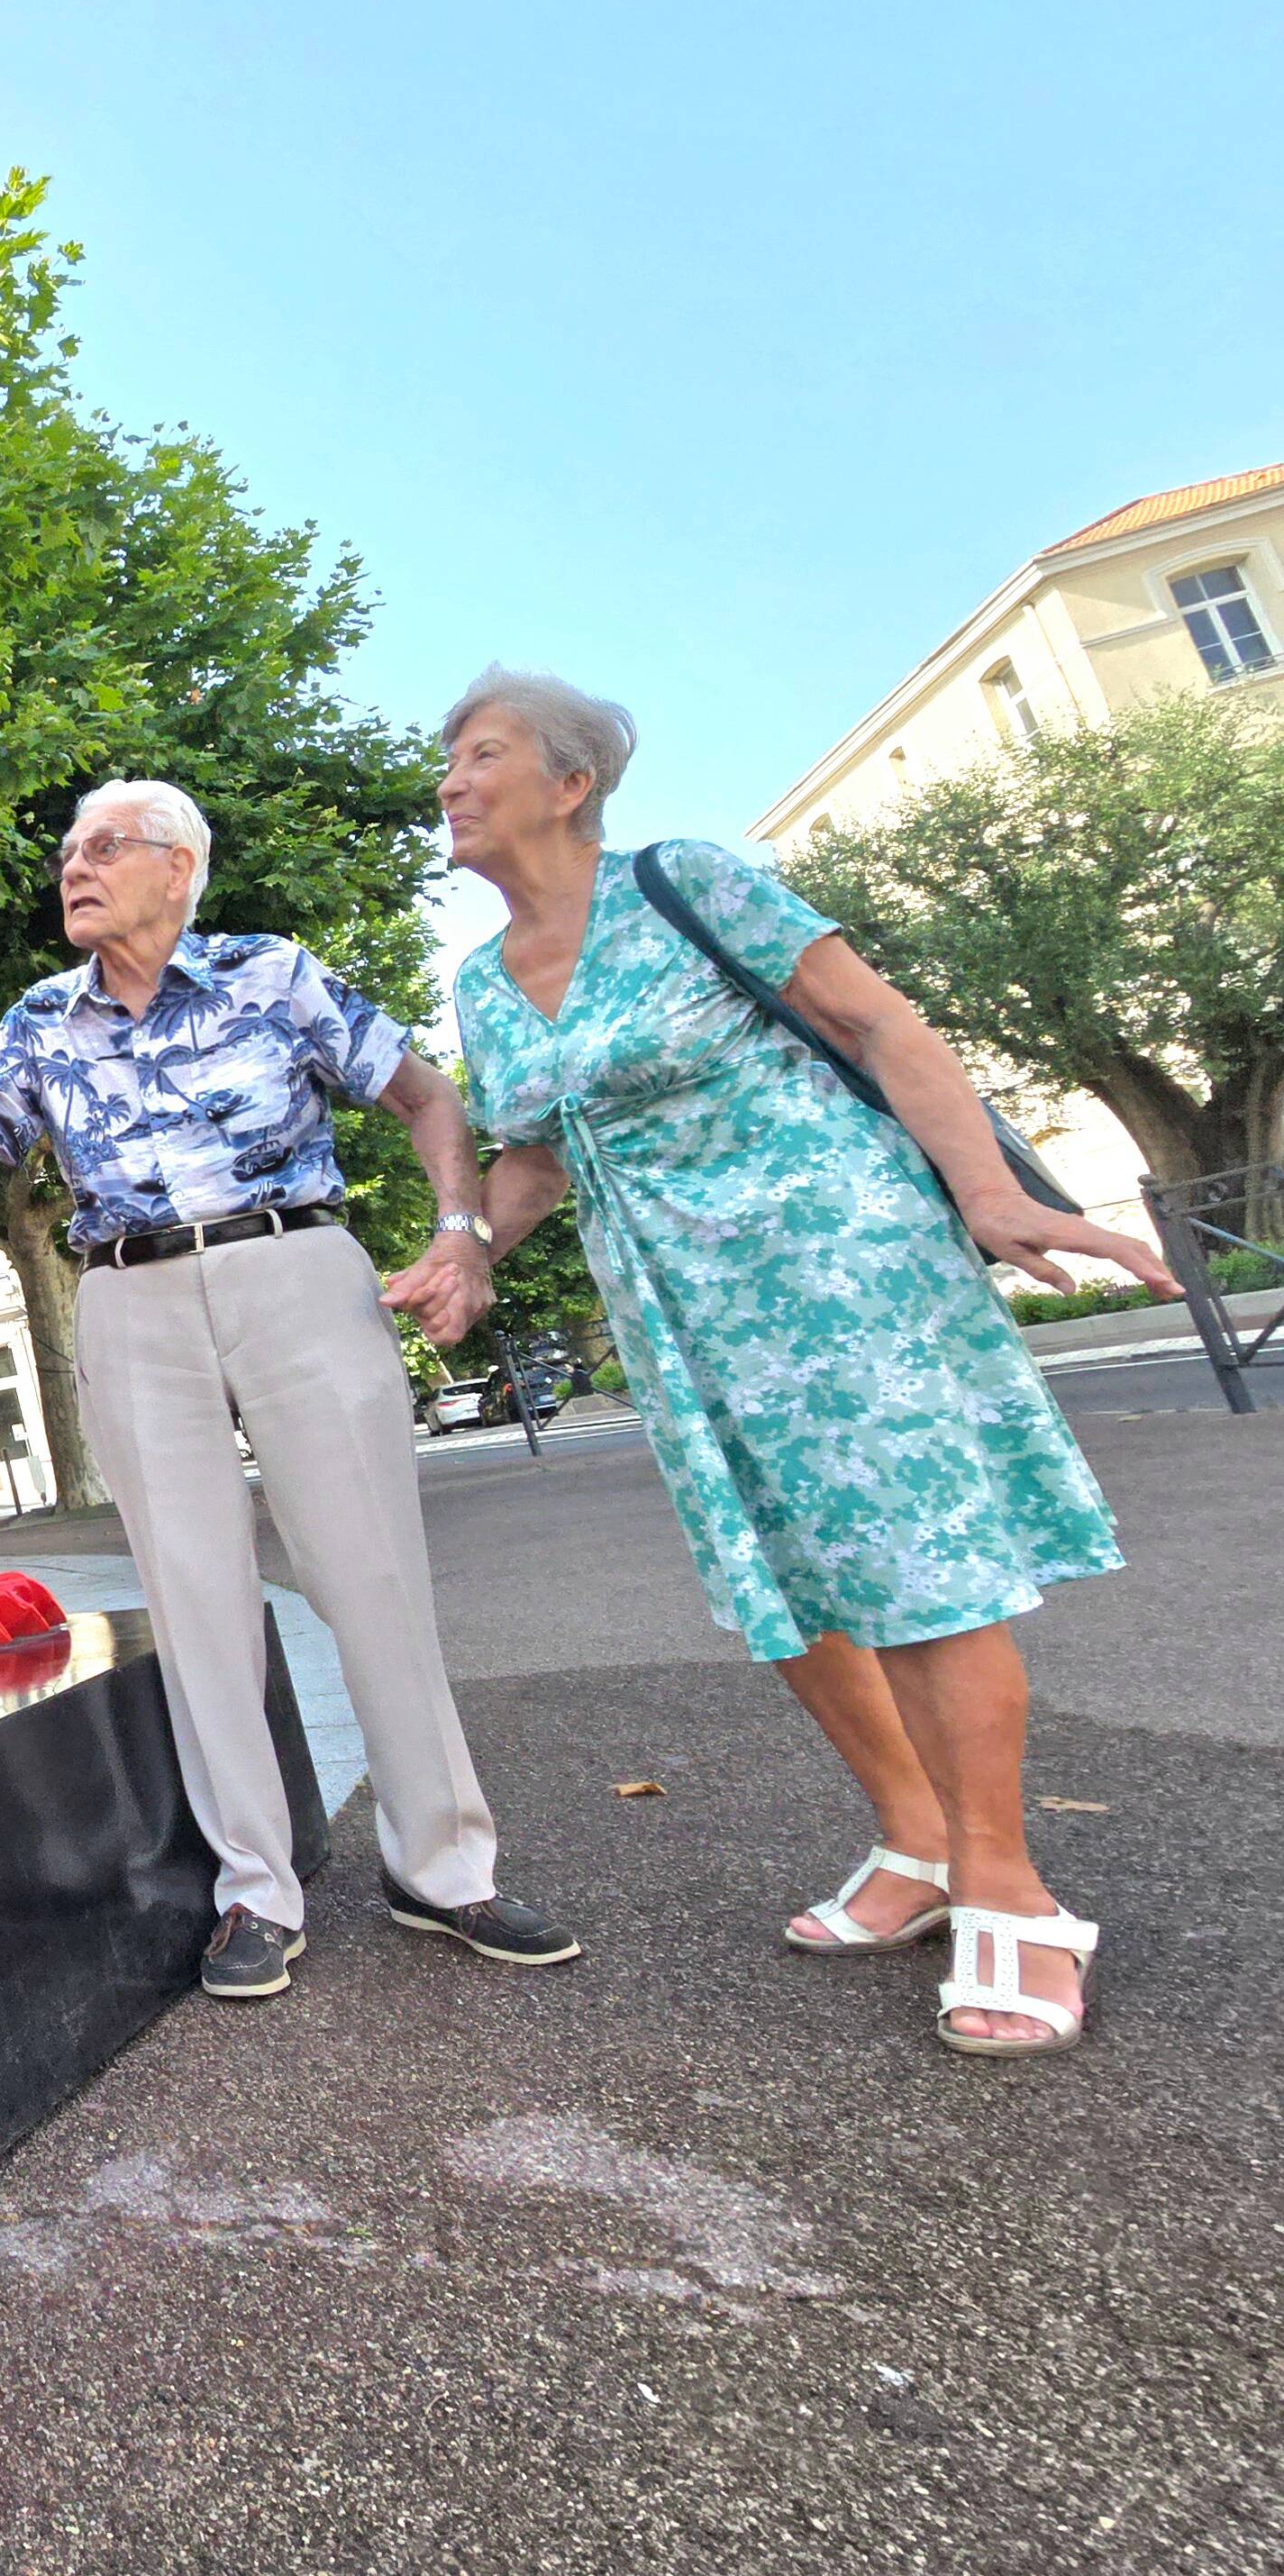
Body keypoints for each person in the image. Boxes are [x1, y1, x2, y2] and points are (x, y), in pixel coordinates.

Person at [438, 669, 1179, 2057]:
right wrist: (467, 1244)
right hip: (677, 1305)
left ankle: (1011, 1886)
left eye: (481, 755)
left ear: (570, 782)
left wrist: (989, 1192)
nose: (452, 783)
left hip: (832, 1258)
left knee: (913, 1561)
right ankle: (918, 1840)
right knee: (790, 1575)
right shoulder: (480, 983)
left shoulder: (681, 881)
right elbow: (535, 1151)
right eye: (447, 764)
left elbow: (876, 1024)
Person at [0, 780, 578, 1999]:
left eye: (104, 846)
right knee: (197, 1594)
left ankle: (444, 1868)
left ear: (181, 866)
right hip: (131, 1293)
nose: (76, 867)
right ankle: (256, 1892)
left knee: (369, 1570)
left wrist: (457, 1229)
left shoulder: (271, 974)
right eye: (67, 852)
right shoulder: (43, 1018)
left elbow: (426, 1095)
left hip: (296, 1268)